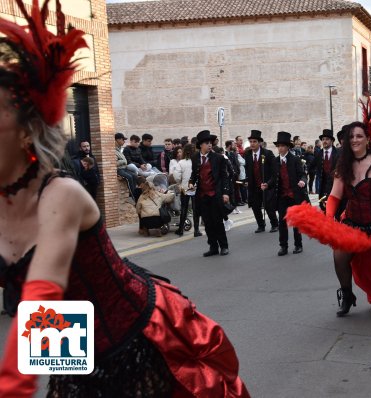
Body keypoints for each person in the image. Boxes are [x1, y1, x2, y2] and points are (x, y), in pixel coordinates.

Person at [0, 3, 249, 396]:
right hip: (65, 341)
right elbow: (46, 316)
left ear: (26, 131)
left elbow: (41, 293)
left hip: (133, 341)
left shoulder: (61, 194)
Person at [286, 121, 371, 323]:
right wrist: (328, 222)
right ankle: (347, 295)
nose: (354, 140)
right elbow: (334, 196)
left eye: (359, 136)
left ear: (368, 139)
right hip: (352, 222)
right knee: (340, 258)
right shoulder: (343, 166)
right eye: (351, 137)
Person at [264, 131, 309, 256]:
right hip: (282, 196)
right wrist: (267, 184)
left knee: (296, 222)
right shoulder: (276, 161)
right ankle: (283, 246)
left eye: (282, 146)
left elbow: (303, 175)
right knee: (282, 222)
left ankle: (298, 245)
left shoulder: (295, 160)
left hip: (294, 195)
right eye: (278, 146)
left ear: (288, 147)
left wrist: (302, 181)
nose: (280, 148)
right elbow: (274, 178)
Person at [189, 130, 232, 256]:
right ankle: (213, 247)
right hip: (202, 195)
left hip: (215, 195)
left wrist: (225, 193)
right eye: (207, 143)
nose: (210, 145)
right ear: (201, 145)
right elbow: (194, 175)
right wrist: (191, 183)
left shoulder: (218, 158)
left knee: (217, 222)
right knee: (207, 223)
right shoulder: (195, 158)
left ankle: (224, 246)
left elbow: (225, 176)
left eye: (211, 143)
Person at [243, 130, 279, 233]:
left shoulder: (267, 154)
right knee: (255, 207)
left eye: (254, 141)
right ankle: (261, 225)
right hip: (254, 186)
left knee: (268, 206)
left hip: (266, 185)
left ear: (259, 143)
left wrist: (268, 183)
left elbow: (274, 171)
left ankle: (274, 224)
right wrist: (247, 181)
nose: (252, 144)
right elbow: (248, 170)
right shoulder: (248, 154)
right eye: (251, 141)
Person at [173, 144, 202, 237]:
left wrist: (180, 182)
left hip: (184, 187)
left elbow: (177, 177)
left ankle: (181, 229)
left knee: (184, 208)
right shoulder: (199, 161)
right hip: (196, 187)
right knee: (196, 209)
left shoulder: (181, 163)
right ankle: (196, 230)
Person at [313, 129, 340, 209]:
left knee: (336, 210)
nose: (324, 141)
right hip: (323, 188)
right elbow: (312, 166)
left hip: (335, 186)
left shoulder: (337, 153)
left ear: (331, 141)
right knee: (324, 210)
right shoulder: (318, 154)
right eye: (323, 139)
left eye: (327, 139)